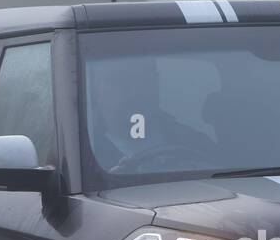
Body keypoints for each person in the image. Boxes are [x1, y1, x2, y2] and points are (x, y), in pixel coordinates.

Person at [88, 56, 216, 171]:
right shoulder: (79, 154)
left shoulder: (197, 144)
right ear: (95, 90)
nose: (133, 90)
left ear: (155, 83)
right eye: (118, 80)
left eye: (142, 78)